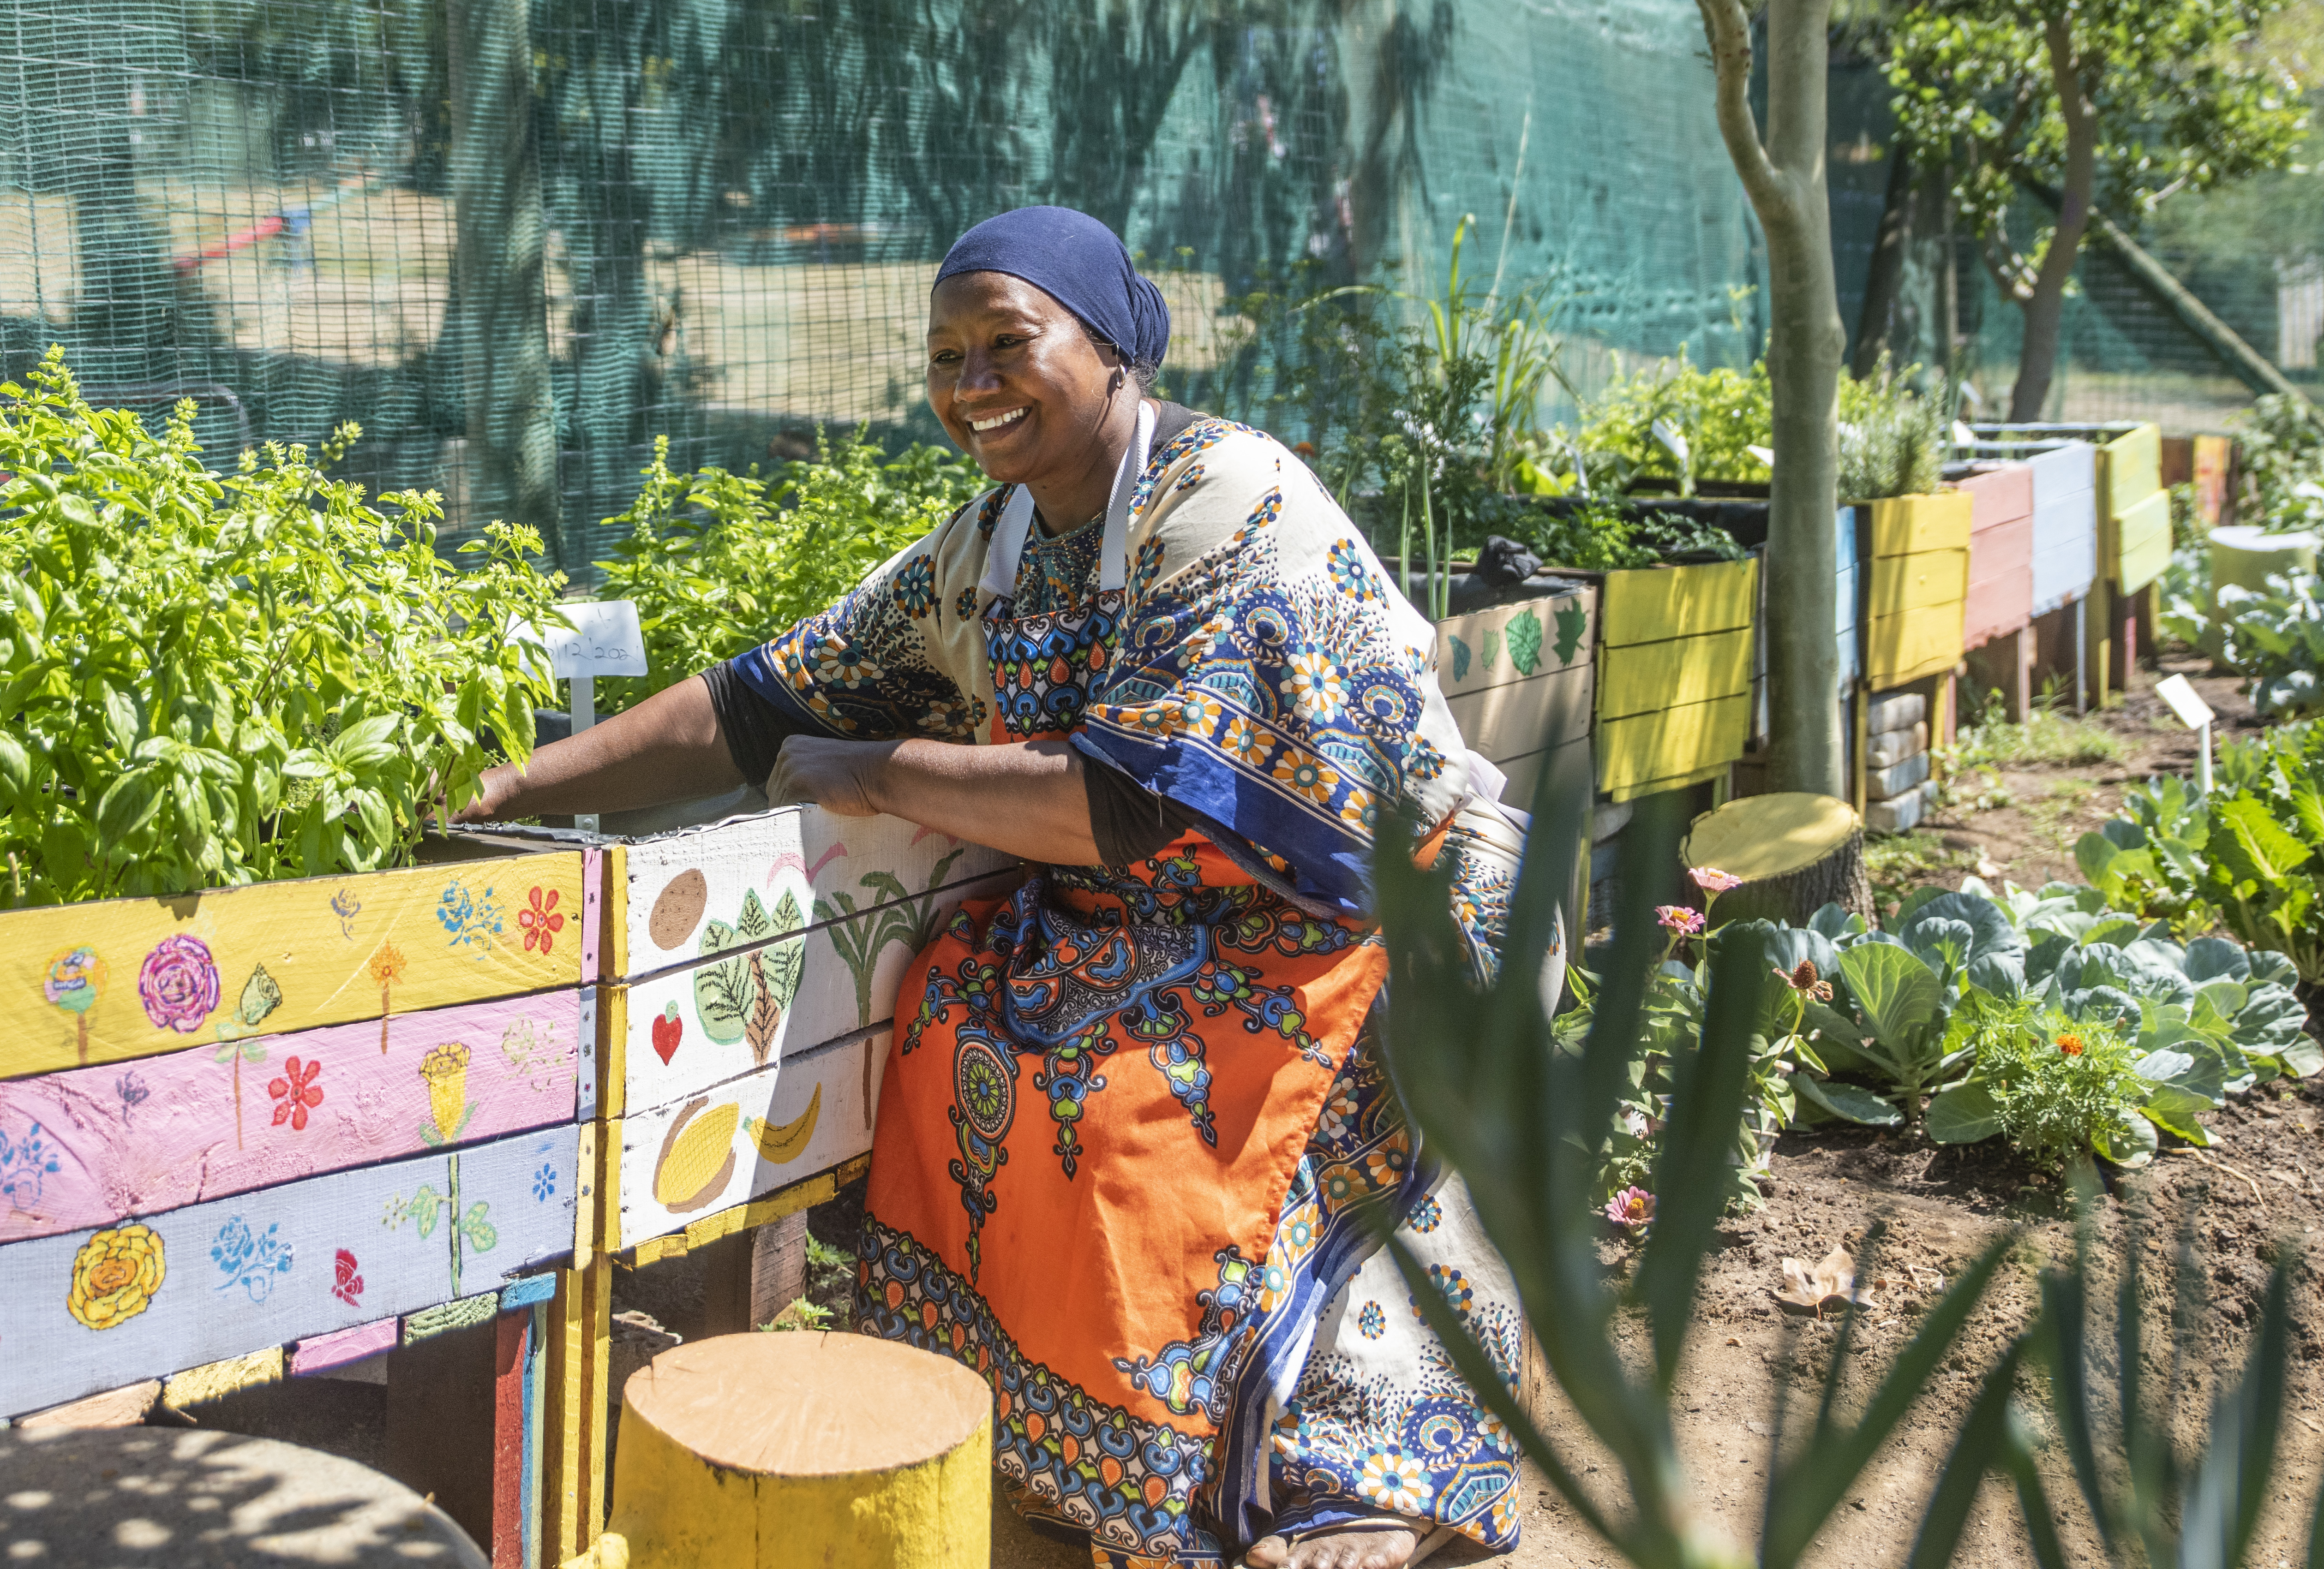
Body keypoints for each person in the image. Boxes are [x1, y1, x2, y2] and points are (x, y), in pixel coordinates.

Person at [460, 206, 1530, 1569]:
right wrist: (515, 785)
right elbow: (751, 704)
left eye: (1009, 344)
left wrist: (875, 769)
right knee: (958, 1025)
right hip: (1174, 912)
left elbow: (1129, 801)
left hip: (1378, 905)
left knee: (1140, 1110)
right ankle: (1056, 1444)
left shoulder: (1228, 495)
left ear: (1115, 347)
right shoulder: (992, 546)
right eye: (946, 355)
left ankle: (1351, 1474)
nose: (973, 384)